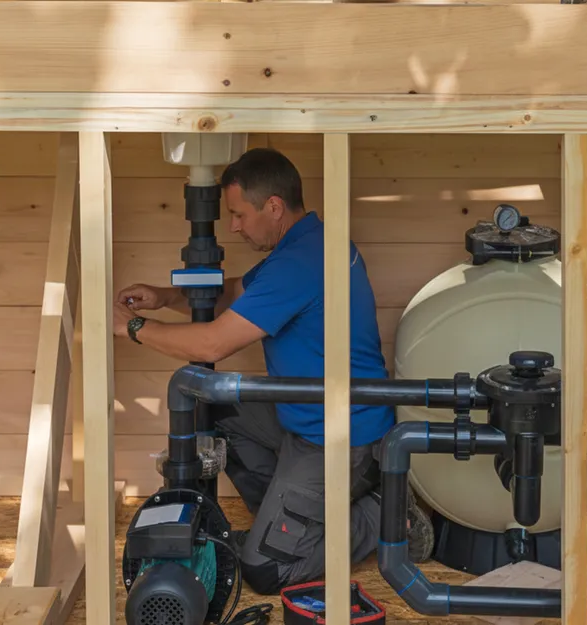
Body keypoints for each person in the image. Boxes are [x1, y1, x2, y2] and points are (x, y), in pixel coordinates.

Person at [112, 147, 434, 595]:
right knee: (217, 409)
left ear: (274, 207)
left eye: (239, 214)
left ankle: (386, 515)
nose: (235, 226)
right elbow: (240, 293)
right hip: (306, 420)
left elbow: (213, 343)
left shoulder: (300, 263)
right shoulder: (310, 241)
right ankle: (288, 520)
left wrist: (132, 327)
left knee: (265, 571)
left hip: (341, 438)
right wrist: (165, 297)